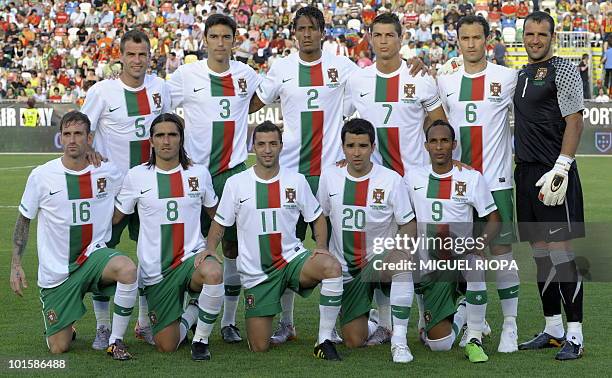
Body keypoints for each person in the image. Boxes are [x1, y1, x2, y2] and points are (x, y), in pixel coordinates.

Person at [343, 12, 446, 345]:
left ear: (401, 38)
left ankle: (427, 315)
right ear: (370, 39)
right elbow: (343, 123)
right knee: (381, 251)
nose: (384, 41)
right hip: (375, 184)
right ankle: (385, 324)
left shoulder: (420, 78)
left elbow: (438, 124)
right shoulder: (357, 80)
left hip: (413, 181)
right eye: (378, 35)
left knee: (422, 253)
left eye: (390, 35)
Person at [205, 121, 344, 360]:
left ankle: (324, 340)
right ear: (254, 147)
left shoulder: (296, 180)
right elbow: (219, 223)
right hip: (257, 273)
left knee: (331, 266)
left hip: (291, 262)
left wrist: (321, 247)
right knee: (259, 346)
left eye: (272, 144)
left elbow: (317, 217)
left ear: (281, 146)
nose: (267, 149)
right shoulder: (236, 183)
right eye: (261, 144)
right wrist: (208, 249)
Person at [10, 111, 137, 360]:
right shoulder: (42, 175)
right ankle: (67, 323)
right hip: (57, 272)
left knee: (128, 269)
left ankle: (115, 340)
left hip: (93, 258)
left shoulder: (107, 171)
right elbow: (24, 220)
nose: (72, 139)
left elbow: (128, 199)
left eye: (78, 134)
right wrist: (16, 263)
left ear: (89, 137)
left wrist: (110, 222)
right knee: (59, 347)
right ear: (60, 137)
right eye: (67, 134)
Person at [167, 14, 262, 344]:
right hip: (195, 175)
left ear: (234, 41)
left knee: (234, 249)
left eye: (226, 37)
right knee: (188, 246)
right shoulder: (185, 75)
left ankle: (229, 321)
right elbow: (159, 106)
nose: (220, 43)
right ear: (204, 40)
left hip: (233, 173)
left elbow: (264, 98)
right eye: (215, 37)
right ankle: (186, 310)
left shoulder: (247, 75)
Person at [82, 29, 172, 349]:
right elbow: (82, 128)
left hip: (149, 186)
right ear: (120, 56)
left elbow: (168, 129)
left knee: (150, 258)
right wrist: (89, 151)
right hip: (110, 191)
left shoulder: (161, 88)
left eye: (142, 54)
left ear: (151, 56)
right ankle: (104, 326)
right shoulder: (102, 91)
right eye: (131, 54)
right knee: (102, 256)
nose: (137, 60)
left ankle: (143, 323)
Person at [437, 15, 521, 353]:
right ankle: (477, 322)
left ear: (488, 39)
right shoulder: (446, 81)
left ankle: (511, 325)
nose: (471, 44)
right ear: (457, 41)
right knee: (467, 257)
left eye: (476, 37)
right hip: (461, 187)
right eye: (464, 38)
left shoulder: (507, 76)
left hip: (497, 181)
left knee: (501, 254)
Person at [113, 113, 222, 360]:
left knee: (214, 273)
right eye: (160, 135)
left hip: (191, 260)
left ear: (181, 139)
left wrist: (212, 247)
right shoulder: (136, 176)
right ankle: (193, 309)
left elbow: (218, 215)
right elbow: (116, 217)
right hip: (156, 271)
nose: (166, 141)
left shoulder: (199, 173)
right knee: (167, 345)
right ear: (151, 141)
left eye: (172, 135)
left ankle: (201, 340)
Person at [513, 11, 586, 361]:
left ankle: (576, 335)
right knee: (540, 254)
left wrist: (563, 166)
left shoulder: (565, 69)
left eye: (542, 34)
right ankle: (553, 328)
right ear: (523, 36)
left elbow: (574, 121)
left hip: (553, 173)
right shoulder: (521, 73)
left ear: (552, 37)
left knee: (562, 253)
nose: (535, 39)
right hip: (525, 174)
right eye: (530, 33)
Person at [318, 118, 417, 363]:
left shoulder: (391, 179)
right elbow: (321, 216)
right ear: (342, 147)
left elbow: (408, 222)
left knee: (402, 264)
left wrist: (402, 250)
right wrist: (322, 250)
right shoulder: (330, 175)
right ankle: (375, 323)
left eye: (363, 146)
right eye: (351, 146)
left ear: (373, 147)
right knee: (353, 340)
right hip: (346, 269)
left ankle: (400, 342)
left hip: (378, 260)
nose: (356, 152)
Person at [405, 120, 500, 363]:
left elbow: (494, 219)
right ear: (426, 146)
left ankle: (475, 337)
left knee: (476, 265)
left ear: (454, 144)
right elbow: (405, 220)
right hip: (431, 268)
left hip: (460, 260)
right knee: (438, 345)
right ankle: (463, 311)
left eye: (444, 141)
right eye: (434, 141)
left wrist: (479, 245)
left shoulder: (470, 177)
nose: (439, 147)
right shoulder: (412, 178)